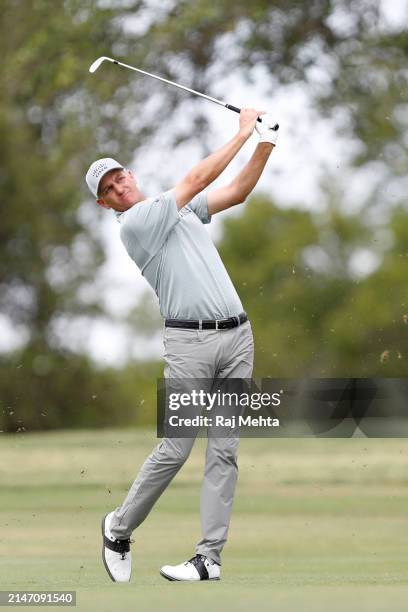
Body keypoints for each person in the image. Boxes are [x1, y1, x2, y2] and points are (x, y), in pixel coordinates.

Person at [85, 109, 278, 582]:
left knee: (225, 450)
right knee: (176, 448)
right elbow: (197, 177)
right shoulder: (137, 224)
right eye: (107, 190)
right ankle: (119, 527)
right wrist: (241, 133)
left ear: (131, 174)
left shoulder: (182, 208)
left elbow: (237, 191)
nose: (117, 189)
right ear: (105, 205)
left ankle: (208, 559)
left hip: (237, 337)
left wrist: (265, 144)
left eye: (118, 178)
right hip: (189, 343)